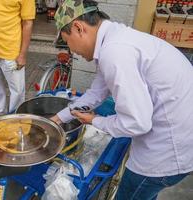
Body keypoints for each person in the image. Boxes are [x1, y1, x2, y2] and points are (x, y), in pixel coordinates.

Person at [51, 0, 193, 199]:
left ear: (78, 28)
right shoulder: (115, 39)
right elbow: (96, 93)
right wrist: (57, 119)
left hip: (168, 151)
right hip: (180, 135)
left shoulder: (115, 52)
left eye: (67, 42)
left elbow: (137, 123)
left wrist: (94, 121)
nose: (71, 51)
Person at [0, 0, 36, 116]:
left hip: (10, 50)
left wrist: (23, 54)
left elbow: (28, 22)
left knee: (17, 92)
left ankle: (15, 119)